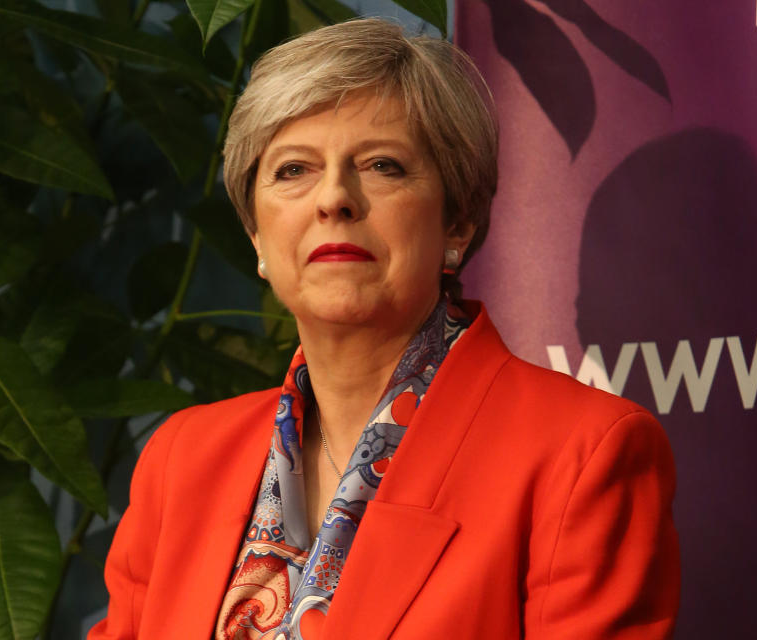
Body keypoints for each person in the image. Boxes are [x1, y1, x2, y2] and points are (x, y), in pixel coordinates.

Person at [89, 18, 679, 640]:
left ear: (458, 222)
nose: (334, 199)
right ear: (256, 236)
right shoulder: (181, 460)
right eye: (294, 170)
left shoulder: (582, 455)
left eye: (382, 166)